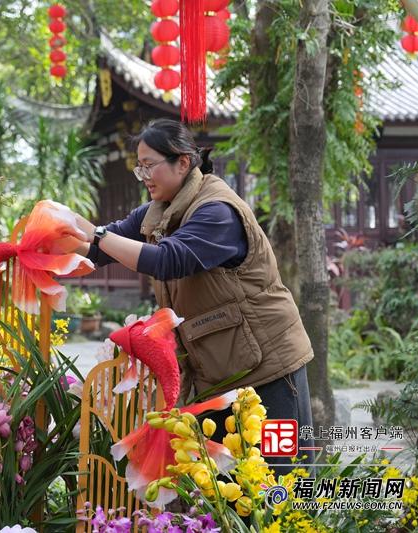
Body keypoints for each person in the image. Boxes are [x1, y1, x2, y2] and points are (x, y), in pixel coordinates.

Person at [72, 118, 315, 472]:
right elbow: (100, 248)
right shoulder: (160, 211)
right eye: (139, 167)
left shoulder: (217, 210)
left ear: (183, 162)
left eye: (149, 165)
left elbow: (168, 260)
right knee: (226, 490)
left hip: (270, 369)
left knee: (280, 483)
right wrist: (42, 239)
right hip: (218, 373)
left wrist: (95, 234)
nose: (144, 176)